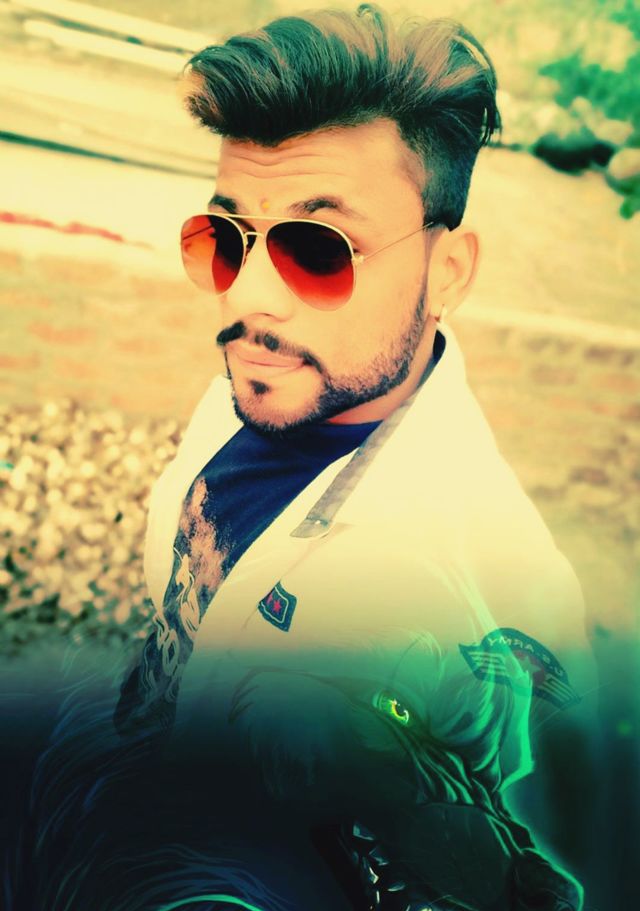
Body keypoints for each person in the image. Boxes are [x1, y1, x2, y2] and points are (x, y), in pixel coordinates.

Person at [116, 2, 596, 762]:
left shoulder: (492, 597)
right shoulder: (258, 396)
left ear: (448, 272)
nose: (246, 297)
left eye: (320, 249)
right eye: (227, 238)